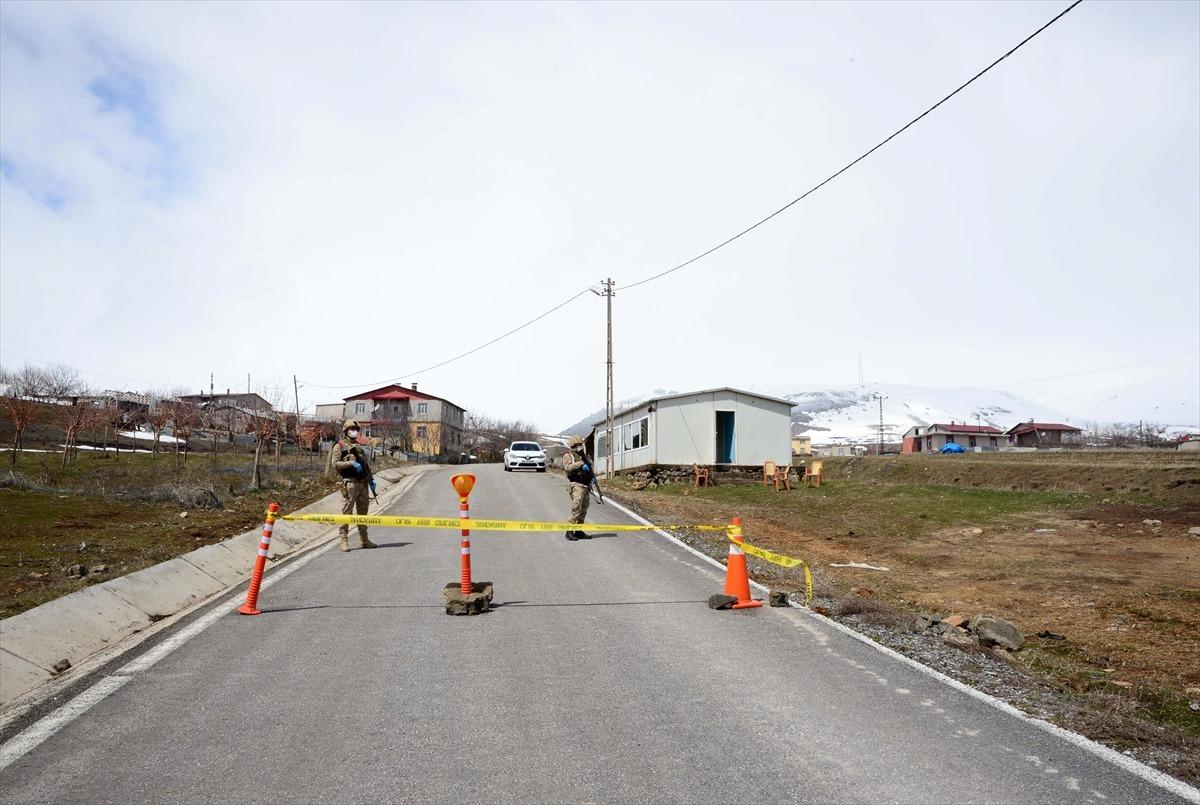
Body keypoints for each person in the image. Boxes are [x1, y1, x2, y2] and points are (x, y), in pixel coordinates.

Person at [326, 419, 377, 552]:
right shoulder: (340, 446)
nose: (354, 432)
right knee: (347, 512)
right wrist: (351, 464)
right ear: (346, 431)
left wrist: (371, 480)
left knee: (363, 513)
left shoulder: (358, 446)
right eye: (351, 429)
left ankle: (364, 539)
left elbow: (365, 465)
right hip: (350, 483)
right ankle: (344, 539)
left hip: (363, 483)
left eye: (356, 430)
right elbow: (335, 464)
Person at [561, 435, 594, 541]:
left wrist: (591, 476)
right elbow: (568, 468)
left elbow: (589, 467)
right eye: (577, 445)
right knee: (576, 508)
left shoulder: (582, 455)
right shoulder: (568, 455)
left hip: (585, 485)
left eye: (580, 445)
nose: (579, 447)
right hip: (577, 485)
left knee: (584, 509)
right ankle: (569, 531)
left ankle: (579, 531)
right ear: (572, 445)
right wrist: (579, 464)